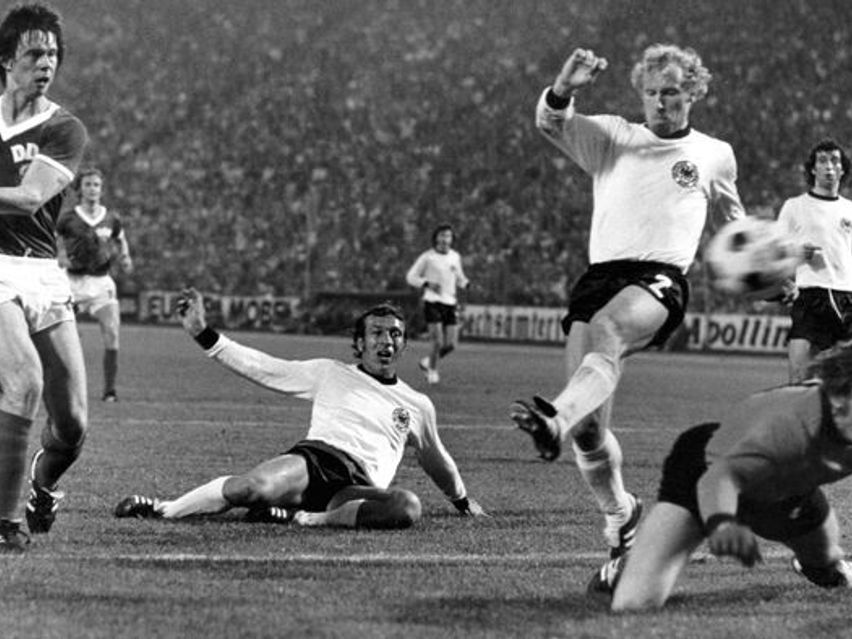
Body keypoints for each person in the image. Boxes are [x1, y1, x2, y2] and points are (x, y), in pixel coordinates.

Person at [510, 44, 746, 559]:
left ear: (693, 92)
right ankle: (621, 512)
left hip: (659, 277)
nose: (661, 101)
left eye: (673, 92)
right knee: (589, 430)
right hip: (598, 279)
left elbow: (737, 229)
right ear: (641, 95)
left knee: (608, 331)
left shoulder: (713, 154)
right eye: (653, 92)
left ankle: (554, 420)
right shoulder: (613, 136)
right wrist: (564, 87)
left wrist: (772, 269)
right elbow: (551, 121)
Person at [114, 288, 486, 528]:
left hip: (357, 490)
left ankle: (305, 519)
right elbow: (265, 367)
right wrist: (204, 334)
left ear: (403, 345)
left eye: (395, 334)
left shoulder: (417, 405)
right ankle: (164, 508)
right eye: (376, 332)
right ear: (359, 343)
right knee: (252, 488)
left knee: (407, 506)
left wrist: (462, 500)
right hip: (314, 463)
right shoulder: (330, 372)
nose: (386, 340)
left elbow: (437, 460)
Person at [587, 342, 852, 611]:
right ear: (839, 400)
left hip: (786, 488)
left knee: (826, 563)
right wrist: (723, 524)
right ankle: (629, 564)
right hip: (705, 472)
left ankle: (823, 564)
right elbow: (721, 476)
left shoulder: (842, 414)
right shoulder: (788, 423)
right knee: (633, 605)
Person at [0, 4, 89, 551]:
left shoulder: (63, 128)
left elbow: (31, 197)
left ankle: (43, 481)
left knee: (73, 424)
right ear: (6, 59)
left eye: (53, 54)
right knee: (24, 379)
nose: (46, 63)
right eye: (34, 53)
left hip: (40, 272)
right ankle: (5, 524)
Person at [776, 138, 852, 383]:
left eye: (835, 161)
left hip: (847, 298)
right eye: (822, 161)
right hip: (811, 296)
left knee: (843, 383)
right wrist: (796, 252)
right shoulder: (794, 206)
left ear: (842, 169)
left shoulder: (850, 209)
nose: (829, 166)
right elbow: (775, 252)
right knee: (799, 376)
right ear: (812, 169)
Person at [56, 167, 132, 402]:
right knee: (67, 338)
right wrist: (60, 254)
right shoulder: (68, 217)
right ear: (80, 189)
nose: (92, 189)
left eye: (96, 185)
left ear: (101, 189)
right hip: (72, 283)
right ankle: (66, 387)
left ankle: (110, 391)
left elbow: (120, 239)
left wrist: (126, 256)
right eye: (88, 184)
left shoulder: (111, 218)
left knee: (112, 333)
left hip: (101, 283)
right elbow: (56, 237)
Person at [405, 223, 470, 384]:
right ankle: (432, 371)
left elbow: (459, 277)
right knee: (437, 341)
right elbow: (411, 277)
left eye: (448, 235)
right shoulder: (428, 257)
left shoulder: (455, 256)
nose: (445, 239)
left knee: (451, 344)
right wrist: (427, 283)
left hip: (450, 302)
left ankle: (427, 361)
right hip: (432, 302)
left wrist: (465, 283)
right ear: (436, 238)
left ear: (452, 239)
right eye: (442, 235)